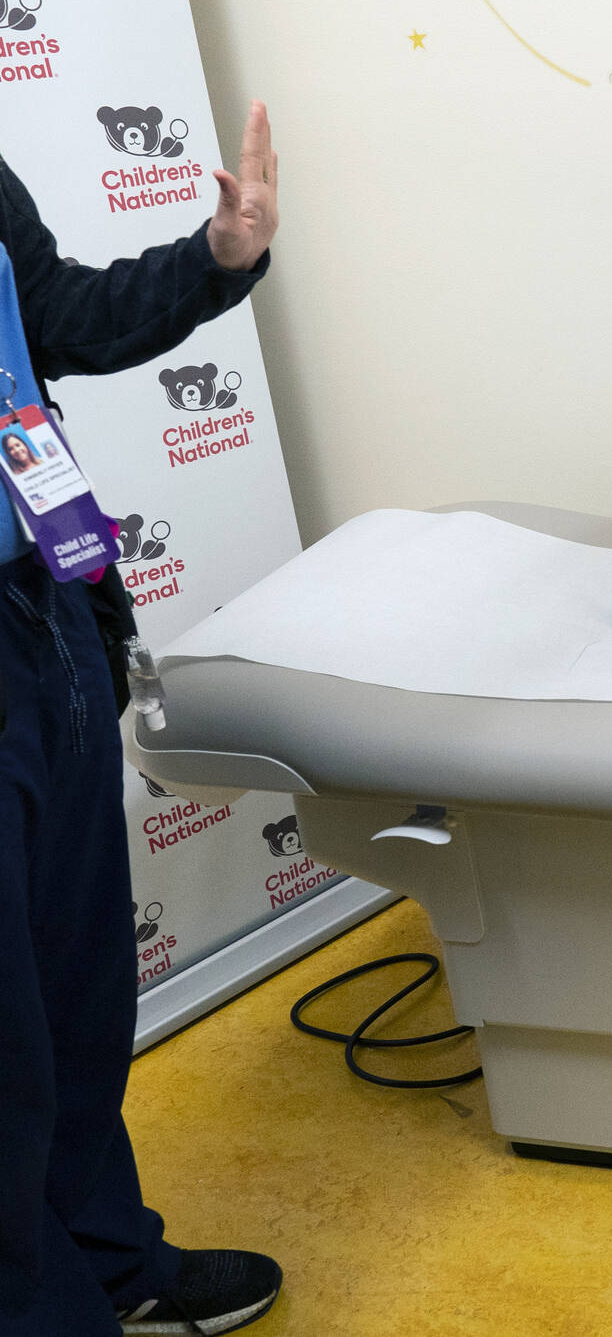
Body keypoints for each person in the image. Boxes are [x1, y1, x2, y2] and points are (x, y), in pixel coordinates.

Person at [1, 102, 283, 1336]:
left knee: (73, 991)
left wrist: (214, 257)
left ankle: (110, 1264)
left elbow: (52, 316)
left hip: (38, 607)